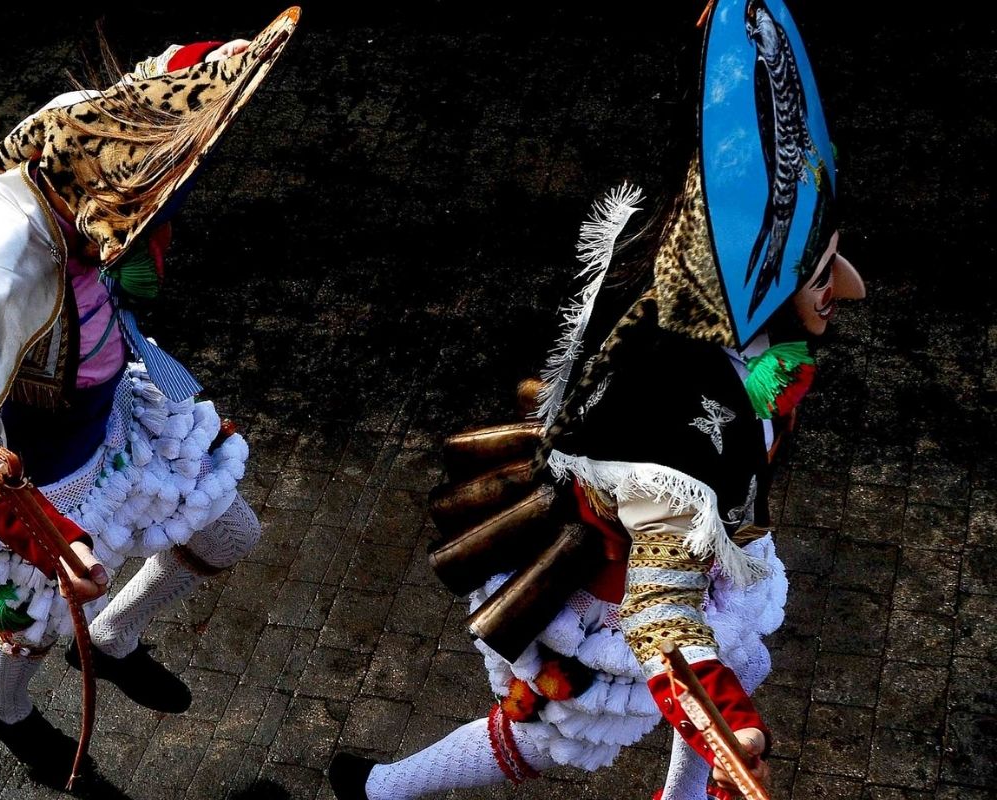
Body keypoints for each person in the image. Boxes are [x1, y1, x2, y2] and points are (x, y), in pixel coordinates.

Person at [329, 1, 862, 797]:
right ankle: (381, 791)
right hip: (612, 604)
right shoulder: (671, 453)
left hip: (694, 561)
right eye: (823, 273)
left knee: (709, 668)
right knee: (546, 738)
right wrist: (724, 715)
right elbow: (659, 619)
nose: (853, 289)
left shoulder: (710, 317)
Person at [0, 8, 298, 788]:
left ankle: (116, 634)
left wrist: (234, 63)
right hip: (47, 475)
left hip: (123, 411)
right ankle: (5, 709)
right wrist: (52, 537)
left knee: (229, 536)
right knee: (33, 627)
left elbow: (166, 80)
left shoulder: (92, 131)